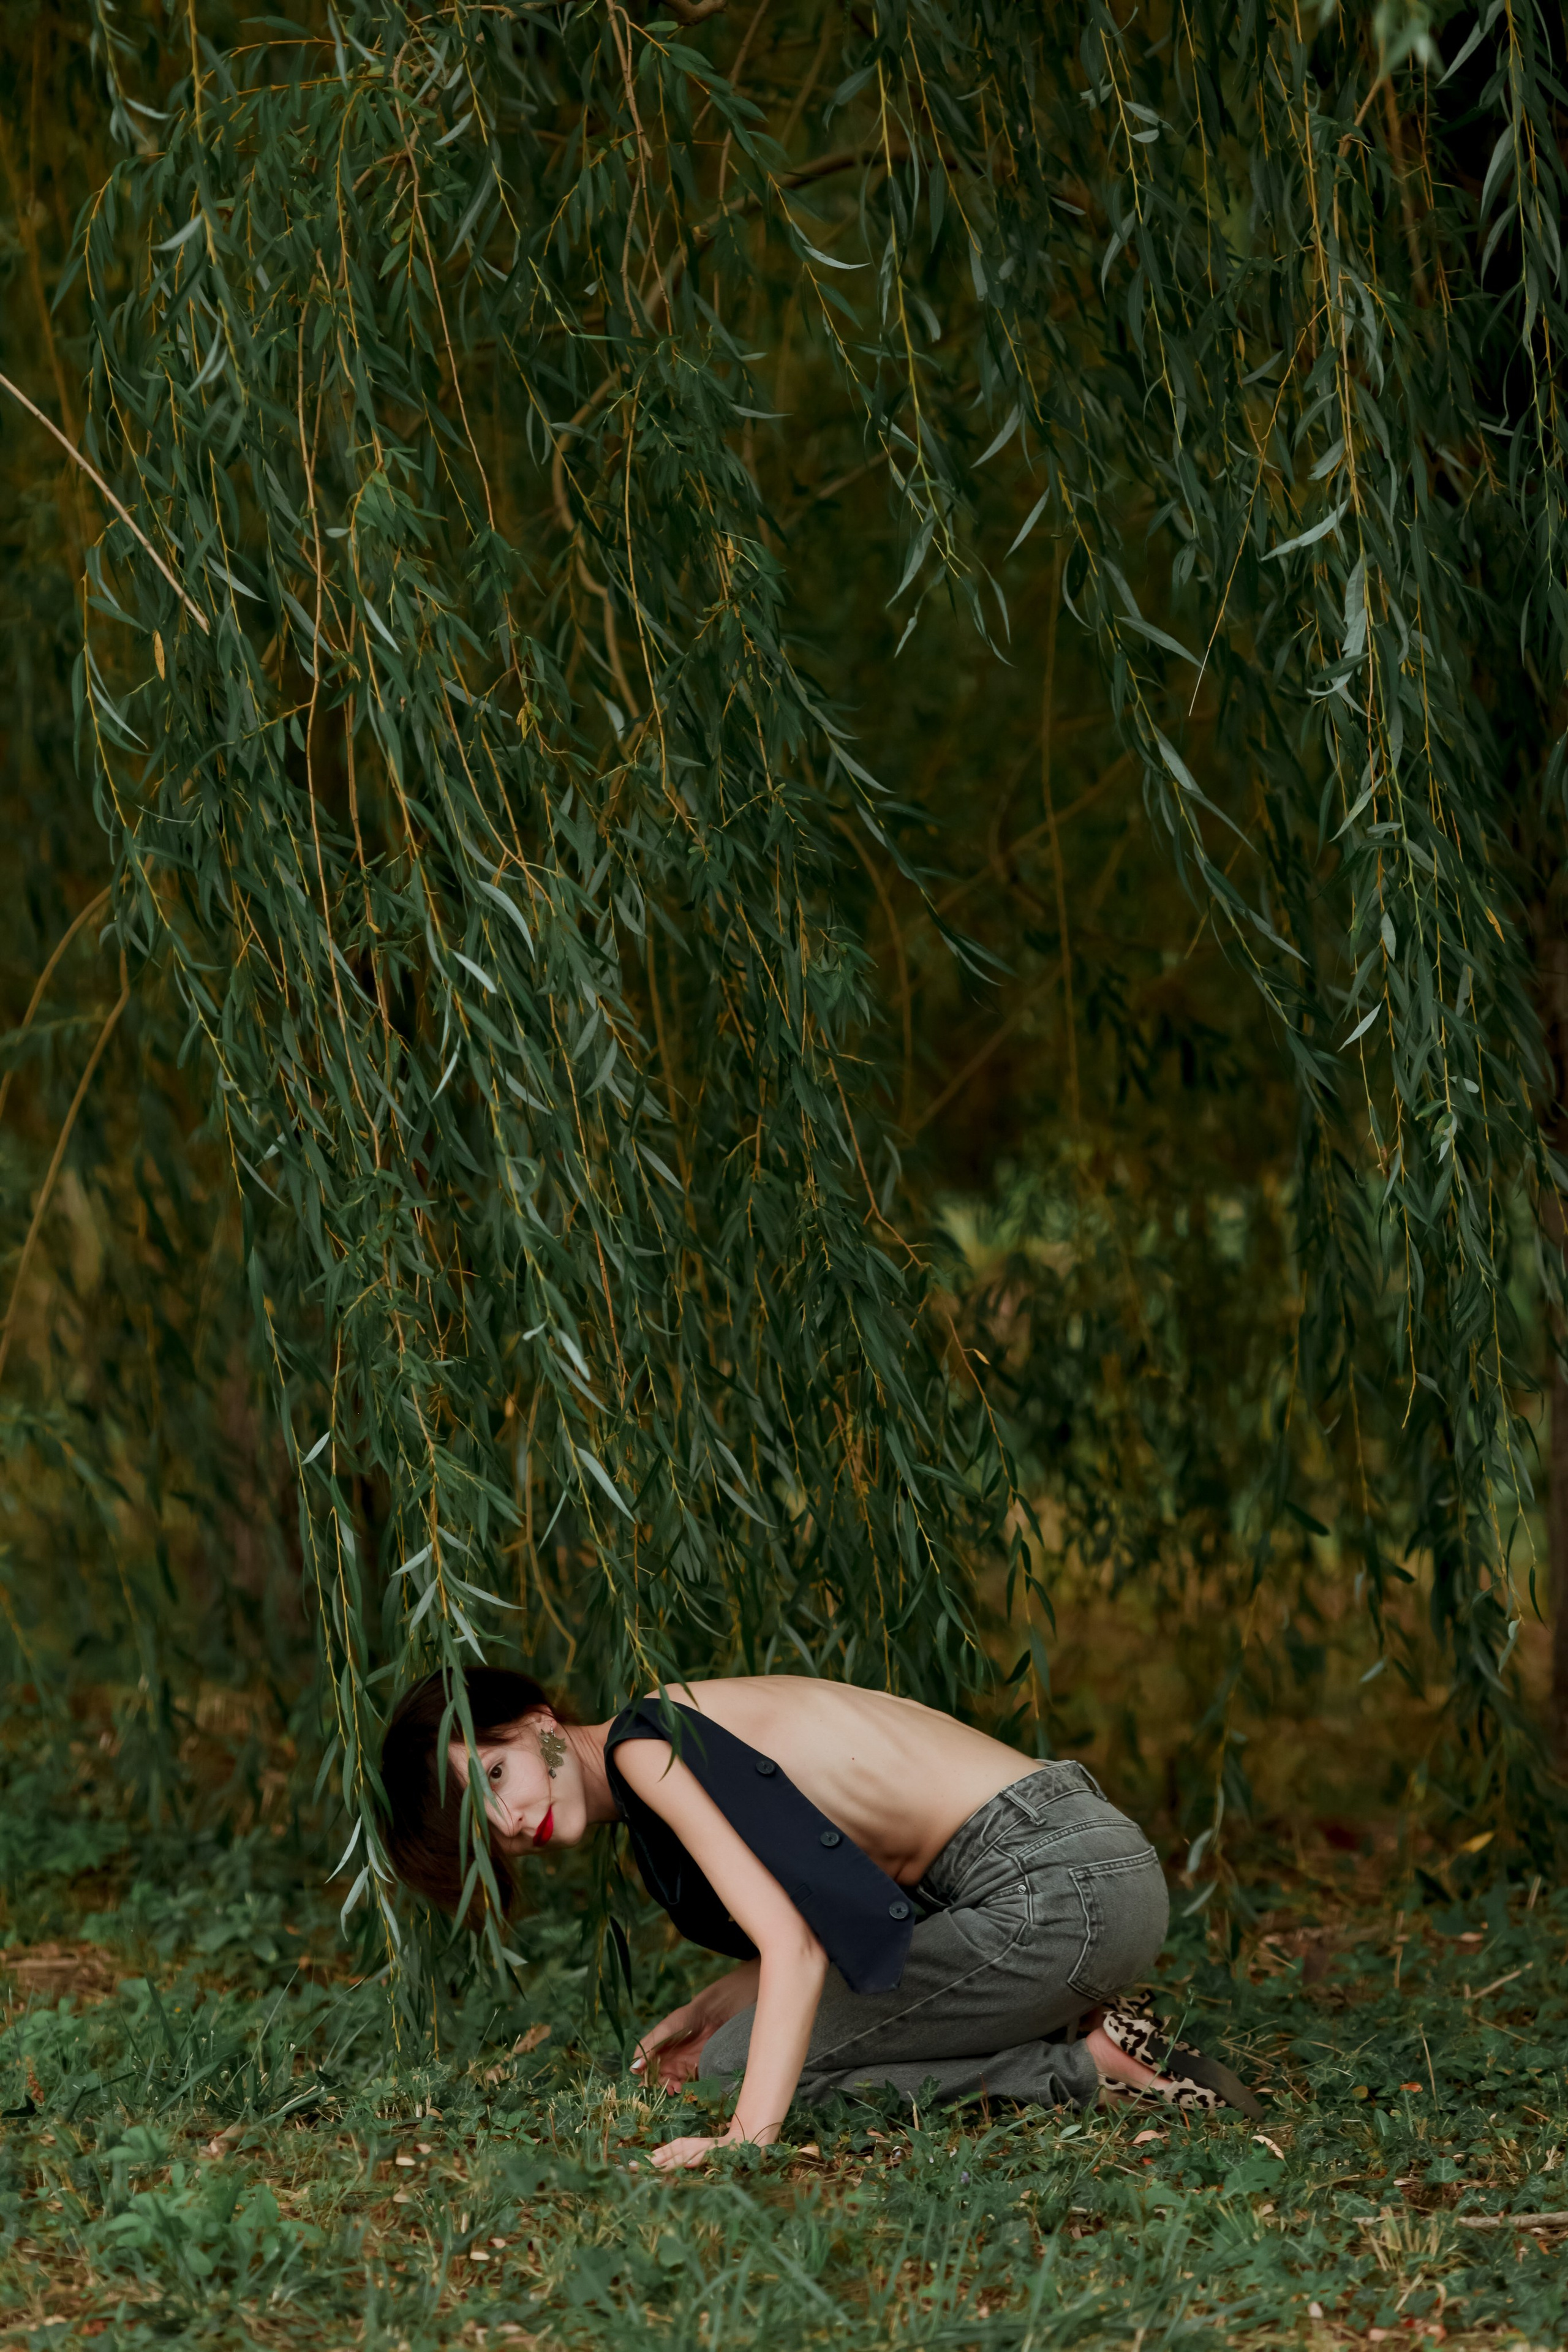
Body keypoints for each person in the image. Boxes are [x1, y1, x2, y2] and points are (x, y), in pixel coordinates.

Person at [380, 1666, 1259, 2169]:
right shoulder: (664, 1731)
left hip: (1053, 1892)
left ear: (537, 1726)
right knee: (737, 2044)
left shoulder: (646, 1750)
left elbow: (797, 1946)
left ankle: (1079, 2068)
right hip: (1083, 1866)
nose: (508, 1824)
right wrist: (716, 2005)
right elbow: (851, 1912)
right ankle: (1087, 2036)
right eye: (480, 1831)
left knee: (737, 2074)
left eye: (492, 1777)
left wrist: (745, 2139)